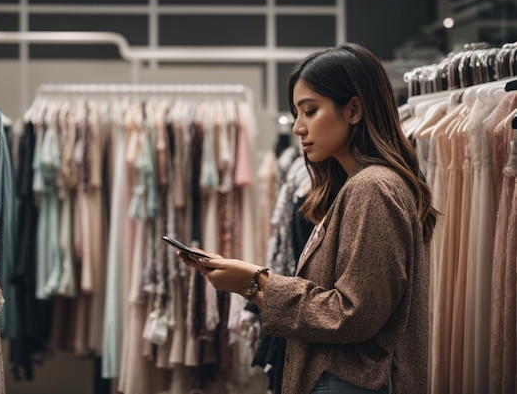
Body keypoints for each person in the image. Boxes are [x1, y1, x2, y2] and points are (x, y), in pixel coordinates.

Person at [176, 43, 437, 394]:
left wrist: (254, 283)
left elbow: (353, 313)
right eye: (297, 113)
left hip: (349, 380)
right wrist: (253, 282)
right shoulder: (357, 186)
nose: (298, 128)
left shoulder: (373, 187)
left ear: (354, 109)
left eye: (309, 111)